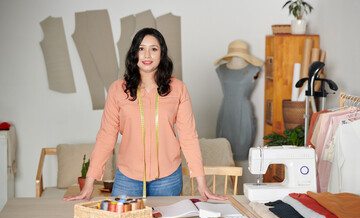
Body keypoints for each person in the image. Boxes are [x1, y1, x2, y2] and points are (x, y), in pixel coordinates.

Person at [63, 28, 227, 202]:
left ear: (162, 54)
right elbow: (106, 137)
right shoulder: (117, 90)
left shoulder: (178, 89)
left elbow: (189, 137)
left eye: (154, 49)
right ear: (134, 53)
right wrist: (89, 184)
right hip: (127, 177)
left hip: (168, 177)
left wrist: (202, 184)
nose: (147, 55)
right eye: (141, 49)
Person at [214, 40, 263, 161]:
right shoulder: (221, 69)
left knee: (243, 150)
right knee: (223, 149)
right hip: (226, 112)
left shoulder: (253, 70)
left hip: (243, 112)